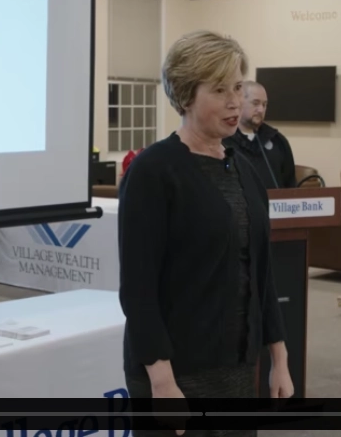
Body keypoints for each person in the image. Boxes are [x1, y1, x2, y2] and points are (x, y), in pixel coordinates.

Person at [118, 30, 294, 435]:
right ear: (184, 95)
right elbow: (138, 290)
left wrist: (278, 361)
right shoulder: (154, 171)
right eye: (219, 89)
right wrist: (163, 384)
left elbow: (261, 275)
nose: (235, 101)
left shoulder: (244, 169)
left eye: (237, 87)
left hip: (236, 369)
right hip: (176, 373)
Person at [223, 81, 297, 188]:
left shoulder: (277, 141)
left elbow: (290, 184)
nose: (261, 109)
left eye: (264, 104)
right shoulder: (223, 140)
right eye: (255, 103)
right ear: (239, 102)